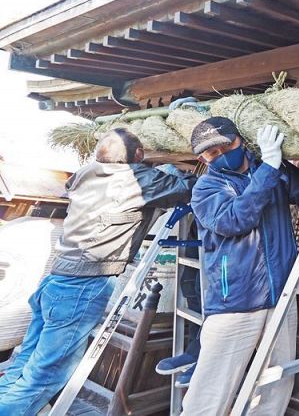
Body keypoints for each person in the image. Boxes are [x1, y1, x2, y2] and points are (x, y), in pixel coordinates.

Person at [0, 128, 195, 415]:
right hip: (81, 288)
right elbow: (187, 187)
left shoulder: (85, 175)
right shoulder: (135, 180)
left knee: (26, 363)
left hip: (55, 282)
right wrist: (172, 169)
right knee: (46, 376)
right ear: (138, 156)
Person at [182, 117, 299, 415]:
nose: (221, 153)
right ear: (202, 158)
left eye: (226, 145)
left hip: (281, 295)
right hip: (235, 302)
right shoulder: (207, 186)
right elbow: (234, 219)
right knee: (211, 392)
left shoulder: (271, 167)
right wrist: (269, 166)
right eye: (211, 152)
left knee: (276, 383)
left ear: (240, 140)